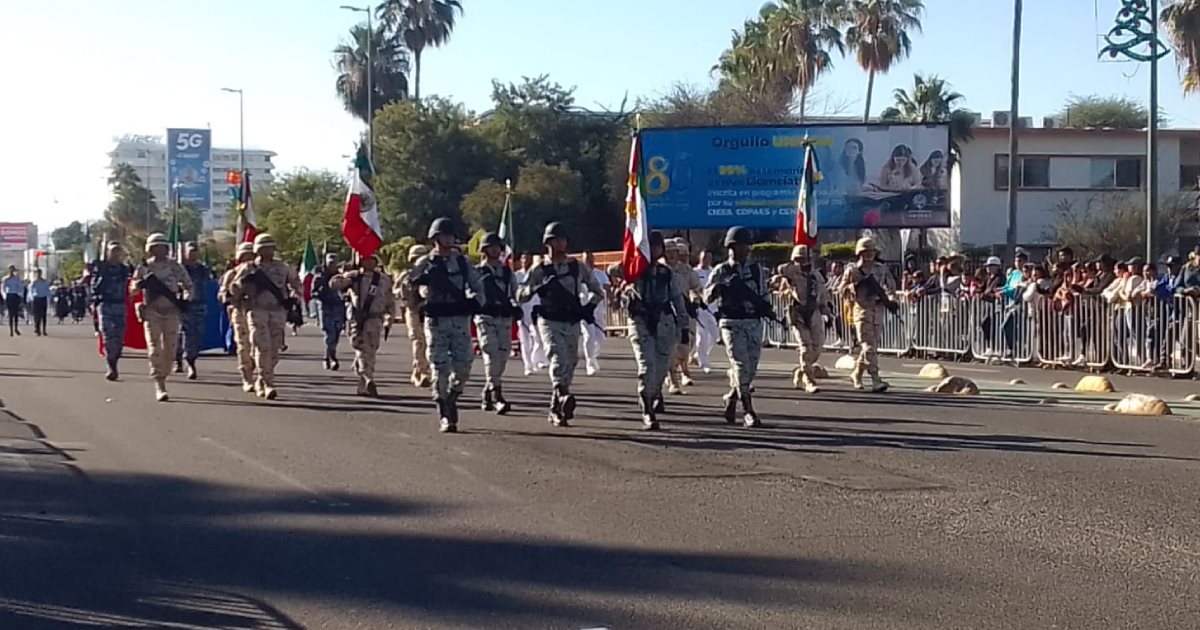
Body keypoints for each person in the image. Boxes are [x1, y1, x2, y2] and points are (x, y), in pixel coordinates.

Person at [517, 222, 605, 428]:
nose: (561, 243)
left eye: (563, 239)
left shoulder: (577, 267)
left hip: (571, 319)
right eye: (557, 240)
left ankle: (556, 406)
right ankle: (563, 395)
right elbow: (520, 295)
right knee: (557, 357)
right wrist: (538, 288)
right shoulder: (540, 268)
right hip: (549, 320)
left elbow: (598, 291)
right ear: (548, 243)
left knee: (571, 362)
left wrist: (588, 308)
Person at [409, 218, 484, 433]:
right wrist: (423, 283)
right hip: (437, 321)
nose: (449, 239)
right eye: (444, 235)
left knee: (464, 366)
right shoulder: (426, 263)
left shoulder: (462, 262)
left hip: (459, 319)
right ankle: (443, 409)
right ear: (435, 238)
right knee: (439, 366)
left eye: (451, 235)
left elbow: (478, 287)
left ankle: (452, 395)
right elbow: (408, 288)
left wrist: (474, 302)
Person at [705, 226, 769, 427]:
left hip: (753, 322)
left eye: (746, 246)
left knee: (750, 370)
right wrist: (719, 287)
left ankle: (732, 397)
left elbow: (764, 293)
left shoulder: (756, 270)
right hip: (732, 322)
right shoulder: (721, 270)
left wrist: (766, 307)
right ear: (730, 247)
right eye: (740, 245)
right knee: (741, 365)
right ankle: (748, 411)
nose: (744, 249)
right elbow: (706, 297)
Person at [624, 231, 687, 430]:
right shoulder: (634, 269)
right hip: (641, 322)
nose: (654, 250)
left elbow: (677, 298)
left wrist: (684, 325)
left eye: (657, 246)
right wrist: (633, 259)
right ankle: (647, 410)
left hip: (664, 323)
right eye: (649, 246)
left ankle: (654, 393)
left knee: (661, 367)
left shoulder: (666, 273)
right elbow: (616, 269)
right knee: (647, 365)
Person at [229, 233, 303, 400]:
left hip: (277, 311)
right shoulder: (248, 268)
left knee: (274, 349)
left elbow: (297, 285)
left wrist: (294, 297)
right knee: (262, 346)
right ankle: (268, 383)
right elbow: (234, 290)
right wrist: (244, 285)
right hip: (256, 311)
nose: (267, 251)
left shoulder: (283, 268)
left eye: (270, 248)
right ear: (257, 250)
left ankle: (262, 379)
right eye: (264, 248)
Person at [129, 233, 193, 402]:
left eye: (162, 247)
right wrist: (139, 284)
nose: (159, 250)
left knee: (170, 349)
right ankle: (159, 382)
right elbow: (133, 289)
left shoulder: (175, 267)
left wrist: (186, 299)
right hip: (152, 311)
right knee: (154, 347)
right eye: (155, 247)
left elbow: (188, 285)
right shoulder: (144, 268)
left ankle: (164, 373)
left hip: (172, 311)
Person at [331, 252, 395, 397]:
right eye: (366, 259)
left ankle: (363, 385)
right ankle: (368, 378)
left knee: (370, 352)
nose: (369, 262)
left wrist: (389, 319)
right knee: (361, 348)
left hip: (375, 319)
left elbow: (390, 301)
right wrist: (345, 274)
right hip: (358, 320)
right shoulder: (354, 277)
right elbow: (334, 284)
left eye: (372, 259)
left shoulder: (383, 279)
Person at [772, 245, 830, 393]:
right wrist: (795, 264)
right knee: (805, 346)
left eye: (804, 258)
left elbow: (822, 293)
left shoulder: (816, 275)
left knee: (817, 348)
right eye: (799, 258)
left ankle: (802, 370)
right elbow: (782, 269)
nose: (802, 261)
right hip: (798, 312)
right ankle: (809, 379)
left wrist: (826, 310)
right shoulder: (793, 274)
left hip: (814, 311)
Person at [841, 237, 896, 392]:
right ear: (860, 252)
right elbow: (840, 289)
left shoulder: (882, 268)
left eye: (871, 251)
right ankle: (875, 379)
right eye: (866, 251)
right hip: (861, 309)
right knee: (868, 346)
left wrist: (891, 300)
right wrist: (855, 286)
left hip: (878, 310)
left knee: (871, 348)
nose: (869, 254)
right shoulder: (852, 270)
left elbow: (890, 287)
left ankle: (857, 373)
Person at [475, 232, 520, 414]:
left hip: (504, 318)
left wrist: (517, 306)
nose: (494, 250)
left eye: (497, 246)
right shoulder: (477, 272)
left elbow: (515, 293)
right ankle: (497, 396)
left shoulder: (507, 272)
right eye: (490, 246)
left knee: (502, 357)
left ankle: (488, 389)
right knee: (491, 353)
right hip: (485, 317)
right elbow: (470, 291)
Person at [219, 243, 257, 392]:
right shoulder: (232, 274)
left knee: (259, 346)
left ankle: (259, 373)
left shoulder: (262, 272)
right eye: (245, 255)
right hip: (240, 311)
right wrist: (234, 293)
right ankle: (246, 377)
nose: (248, 259)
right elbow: (222, 295)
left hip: (259, 311)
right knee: (243, 346)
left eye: (251, 255)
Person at [92, 242, 133, 380]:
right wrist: (101, 274)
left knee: (119, 338)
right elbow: (94, 287)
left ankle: (115, 360)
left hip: (120, 305)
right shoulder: (101, 268)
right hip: (105, 305)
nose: (116, 254)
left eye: (118, 251)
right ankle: (111, 366)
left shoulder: (125, 269)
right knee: (108, 336)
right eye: (113, 251)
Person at [395, 244, 433, 388]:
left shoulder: (431, 272)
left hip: (428, 310)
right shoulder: (407, 274)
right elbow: (397, 292)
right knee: (418, 341)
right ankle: (421, 372)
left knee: (429, 342)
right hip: (413, 311)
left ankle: (422, 371)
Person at [174, 243, 212, 379]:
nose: (193, 254)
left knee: (197, 334)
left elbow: (209, 281)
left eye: (195, 251)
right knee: (184, 333)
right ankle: (186, 361)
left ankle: (188, 357)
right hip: (184, 306)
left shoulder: (202, 269)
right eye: (191, 251)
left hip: (199, 305)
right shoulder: (181, 269)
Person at [514, 252, 548, 376]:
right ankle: (528, 365)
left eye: (528, 259)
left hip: (536, 310)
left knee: (538, 338)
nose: (526, 261)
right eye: (524, 259)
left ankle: (536, 359)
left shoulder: (537, 274)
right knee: (525, 341)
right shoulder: (517, 275)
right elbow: (515, 293)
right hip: (523, 311)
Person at [312, 253, 347, 370]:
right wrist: (323, 292)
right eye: (330, 262)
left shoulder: (342, 276)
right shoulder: (320, 276)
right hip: (326, 307)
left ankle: (329, 354)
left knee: (336, 333)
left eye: (334, 262)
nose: (332, 265)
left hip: (339, 307)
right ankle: (331, 358)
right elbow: (313, 292)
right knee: (329, 334)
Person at [579, 251, 611, 376]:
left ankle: (594, 355)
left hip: (598, 308)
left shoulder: (599, 274)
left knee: (600, 337)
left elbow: (607, 287)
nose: (588, 261)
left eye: (590, 258)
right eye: (586, 259)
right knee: (588, 335)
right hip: (585, 308)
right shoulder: (579, 275)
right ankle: (589, 362)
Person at [692, 250, 718, 374]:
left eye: (709, 258)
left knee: (715, 335)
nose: (707, 260)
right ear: (700, 258)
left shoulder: (714, 272)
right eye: (704, 258)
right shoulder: (695, 272)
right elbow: (693, 288)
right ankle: (704, 363)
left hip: (712, 308)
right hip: (699, 309)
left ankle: (699, 354)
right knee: (702, 335)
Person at [28, 269, 50, 336]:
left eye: (40, 273)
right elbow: (30, 290)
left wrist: (48, 298)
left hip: (43, 299)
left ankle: (44, 330)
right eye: (37, 273)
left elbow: (47, 290)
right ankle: (37, 329)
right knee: (37, 315)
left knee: (43, 315)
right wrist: (31, 297)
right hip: (36, 299)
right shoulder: (34, 282)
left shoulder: (45, 282)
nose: (39, 274)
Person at [2, 266, 23, 336]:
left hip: (15, 296)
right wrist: (5, 296)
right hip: (9, 296)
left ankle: (16, 328)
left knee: (16, 314)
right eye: (10, 270)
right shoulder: (6, 279)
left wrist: (20, 296)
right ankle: (11, 330)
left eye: (12, 270)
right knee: (10, 314)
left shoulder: (17, 279)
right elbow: (3, 288)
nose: (11, 271)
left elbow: (20, 288)